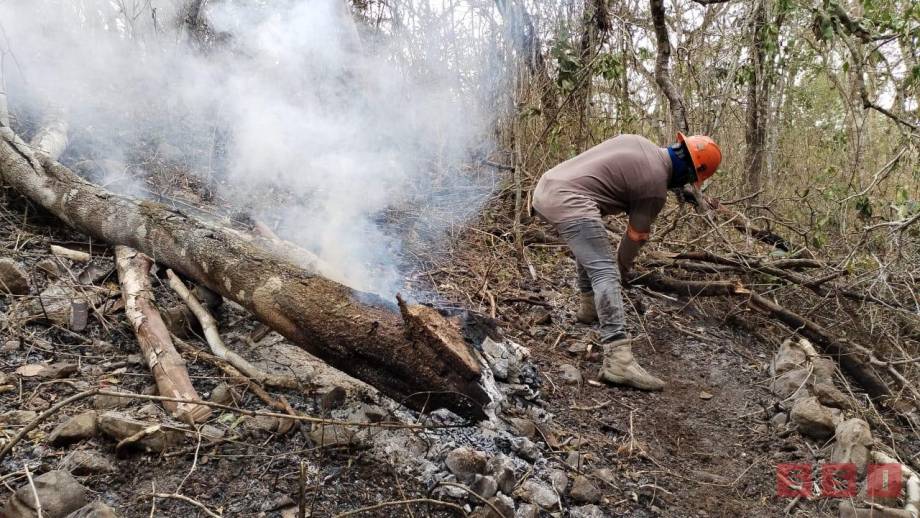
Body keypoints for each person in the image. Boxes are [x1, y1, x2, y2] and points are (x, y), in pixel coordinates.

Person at [532, 132, 722, 391]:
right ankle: (618, 358)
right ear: (689, 172)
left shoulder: (639, 141)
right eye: (691, 180)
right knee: (605, 271)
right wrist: (619, 272)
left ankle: (589, 309)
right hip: (568, 200)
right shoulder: (655, 188)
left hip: (546, 187)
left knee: (591, 243)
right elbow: (635, 236)